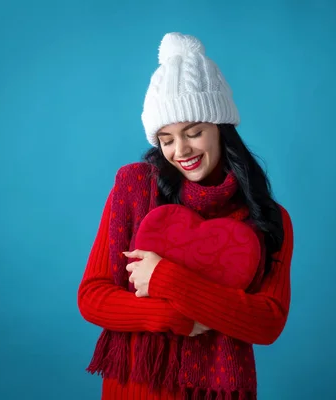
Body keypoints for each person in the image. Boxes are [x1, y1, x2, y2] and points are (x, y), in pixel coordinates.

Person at [77, 32, 295, 400]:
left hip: (218, 392)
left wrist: (164, 278)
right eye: (166, 139)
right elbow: (92, 296)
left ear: (221, 130)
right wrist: (172, 319)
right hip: (138, 387)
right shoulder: (133, 188)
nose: (181, 151)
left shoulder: (267, 218)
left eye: (193, 133)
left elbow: (268, 321)